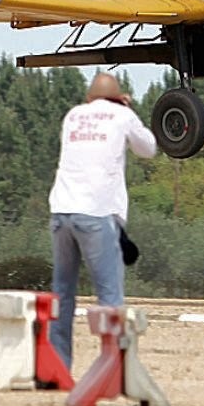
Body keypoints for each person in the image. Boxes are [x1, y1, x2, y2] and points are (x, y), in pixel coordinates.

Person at [48, 72, 157, 369]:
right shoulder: (122, 115)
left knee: (62, 293)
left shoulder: (73, 116)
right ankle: (113, 368)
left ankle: (57, 366)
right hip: (96, 213)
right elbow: (148, 148)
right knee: (109, 296)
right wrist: (127, 110)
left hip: (61, 210)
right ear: (118, 97)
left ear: (89, 98)